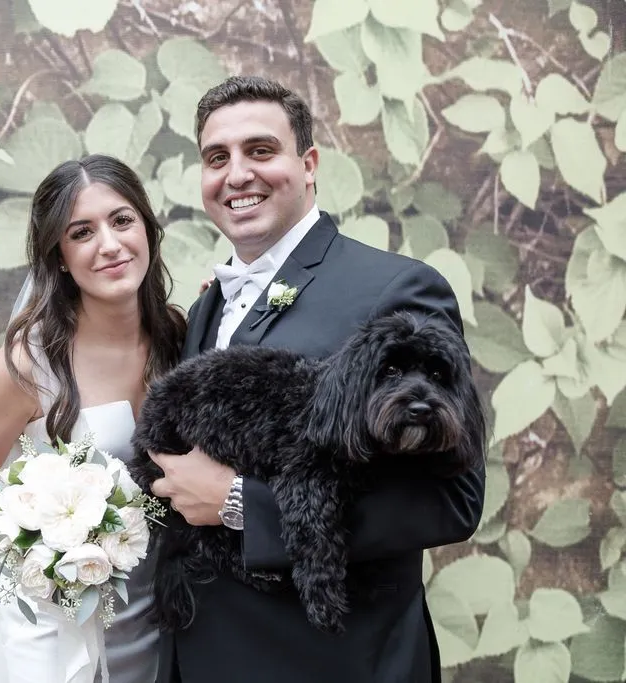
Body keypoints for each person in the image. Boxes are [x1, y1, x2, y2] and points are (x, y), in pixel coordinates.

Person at [147, 76, 486, 683]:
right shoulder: (205, 308)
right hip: (202, 655)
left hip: (332, 663)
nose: (237, 174)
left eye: (260, 150)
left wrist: (240, 505)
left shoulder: (397, 288)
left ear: (308, 165)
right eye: (217, 158)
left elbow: (451, 501)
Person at [0, 154, 186, 683]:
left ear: (147, 229)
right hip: (66, 622)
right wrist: (48, 553)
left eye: (122, 220)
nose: (109, 244)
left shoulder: (178, 336)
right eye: (82, 233)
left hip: (165, 612)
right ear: (60, 258)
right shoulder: (29, 365)